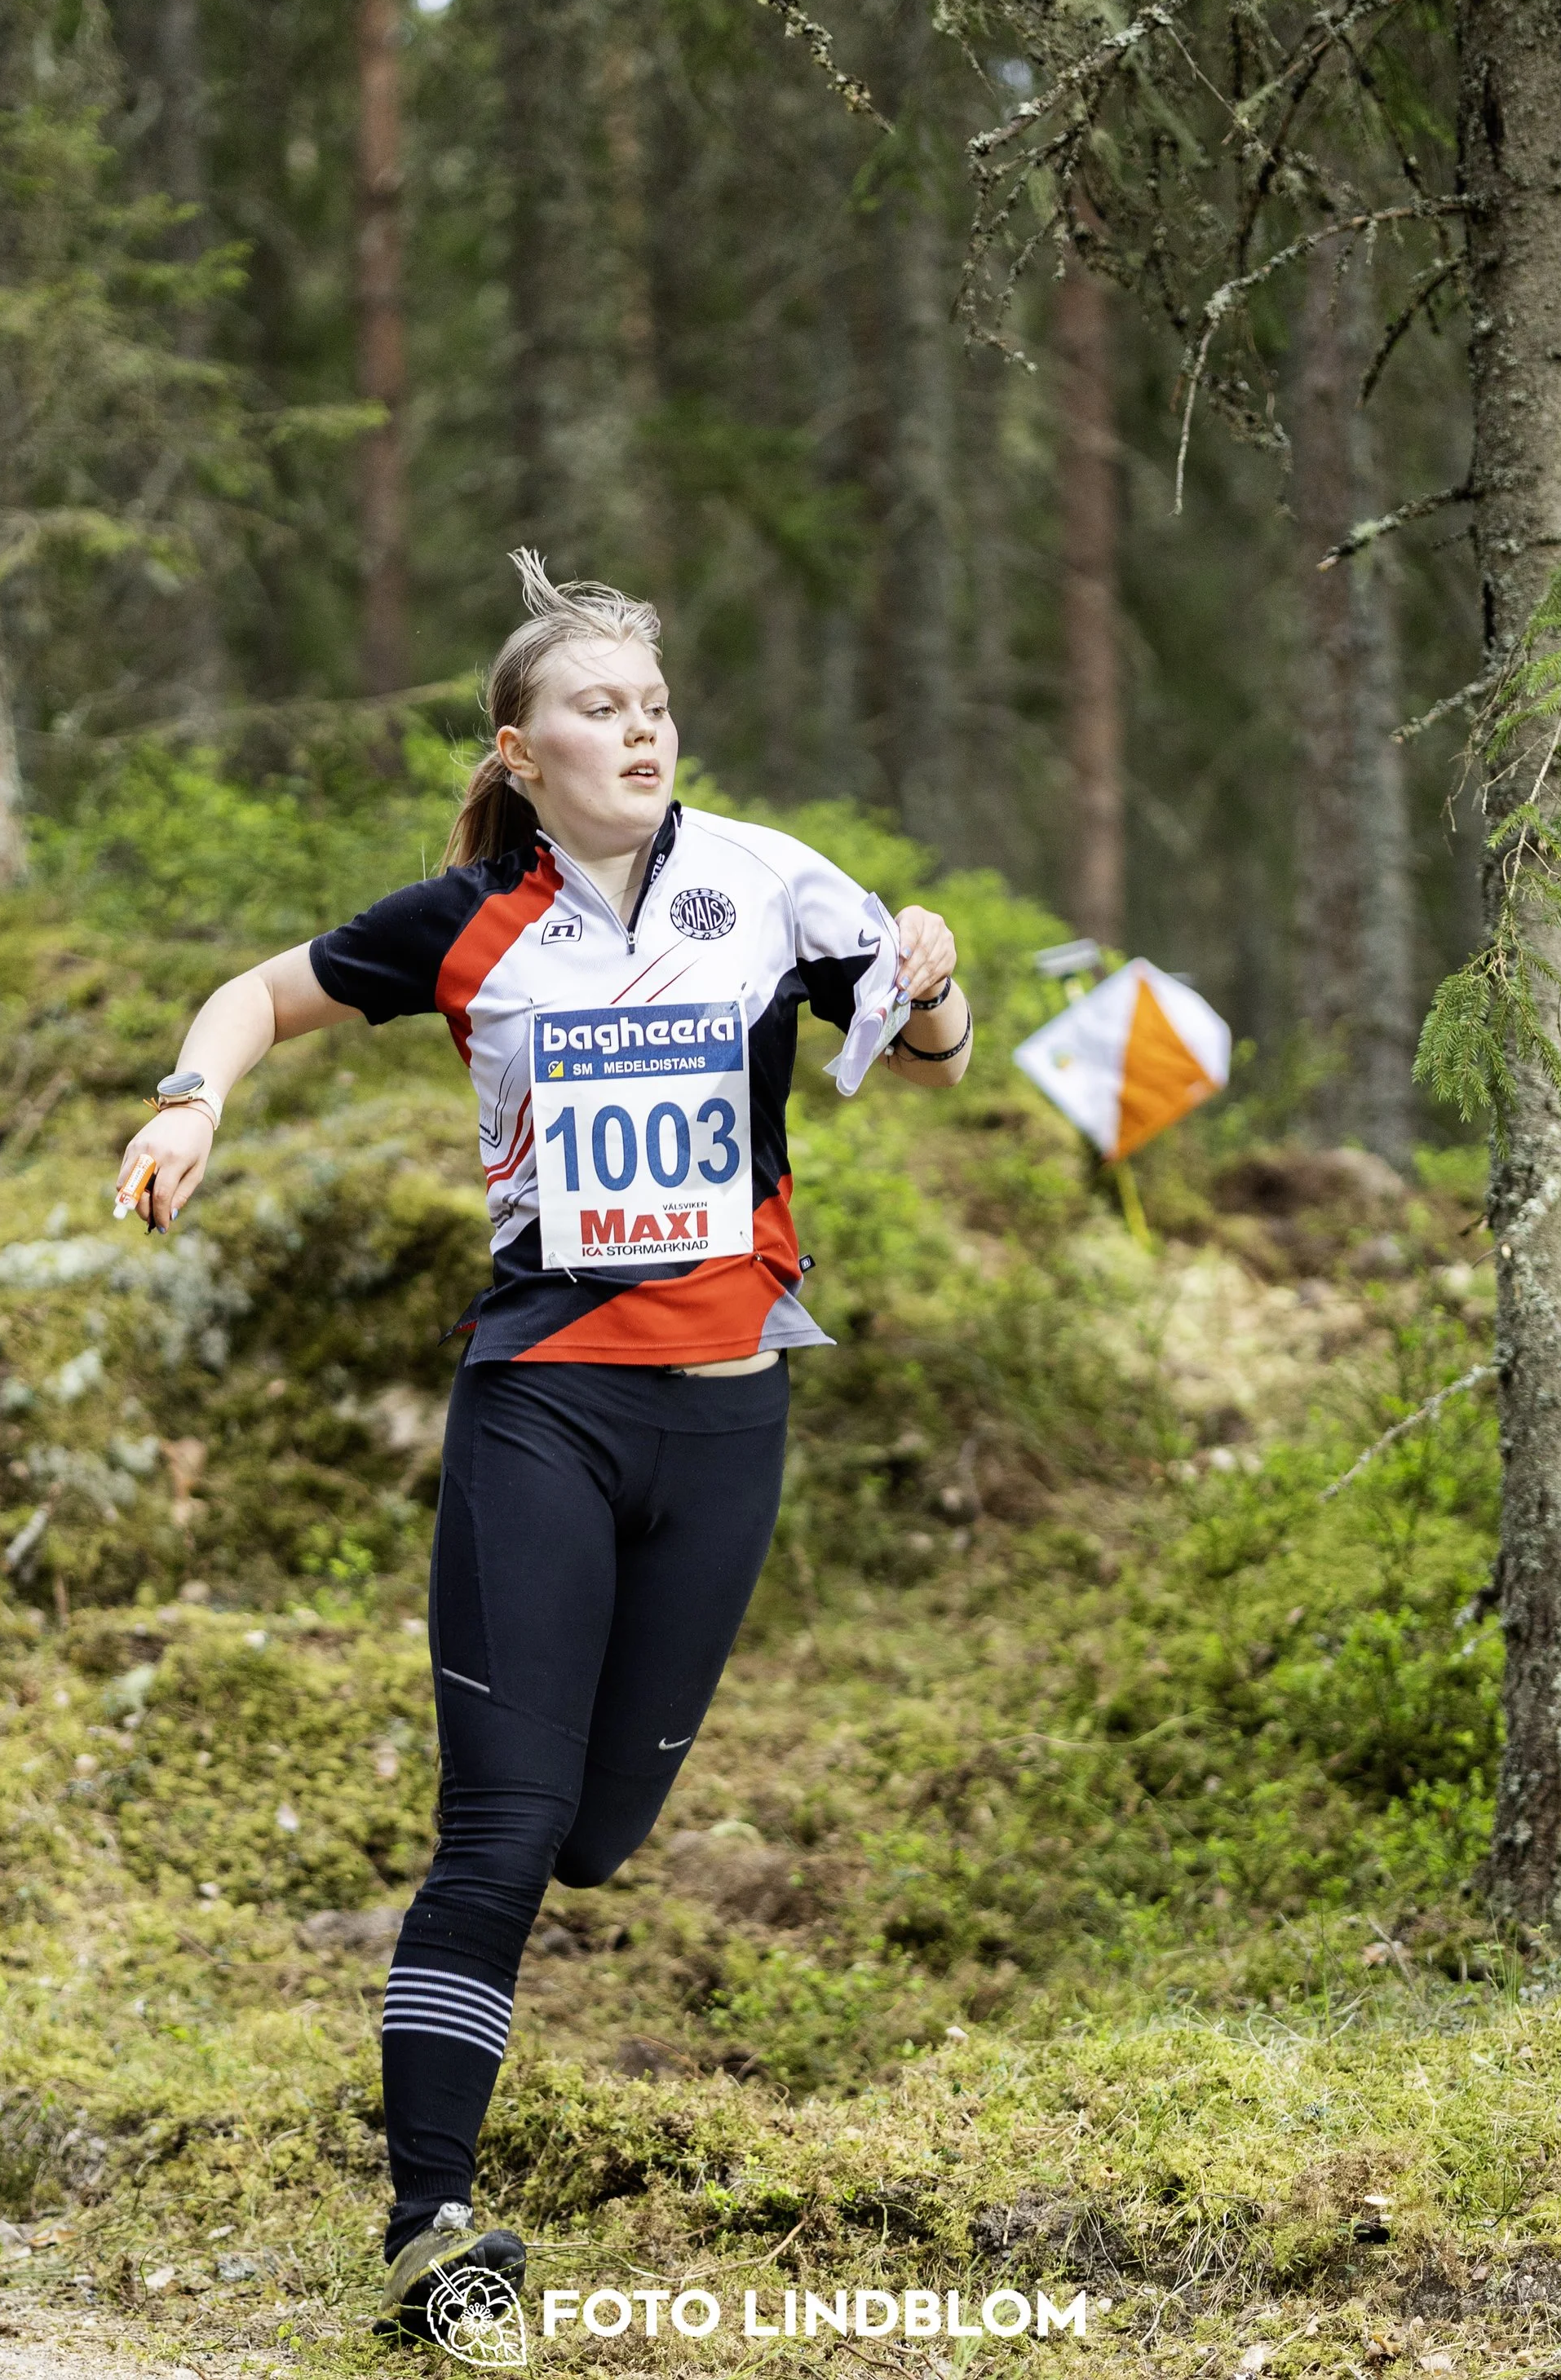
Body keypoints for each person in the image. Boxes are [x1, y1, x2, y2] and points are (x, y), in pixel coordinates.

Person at [112, 553, 973, 2343]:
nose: (640, 727)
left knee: (596, 1836)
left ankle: (469, 2077)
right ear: (520, 748)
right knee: (499, 1831)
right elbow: (253, 998)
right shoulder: (463, 918)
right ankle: (434, 2223)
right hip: (545, 1403)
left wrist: (937, 974)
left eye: (653, 703)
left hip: (731, 1409)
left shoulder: (765, 881)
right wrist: (192, 1102)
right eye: (600, 705)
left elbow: (934, 1049)